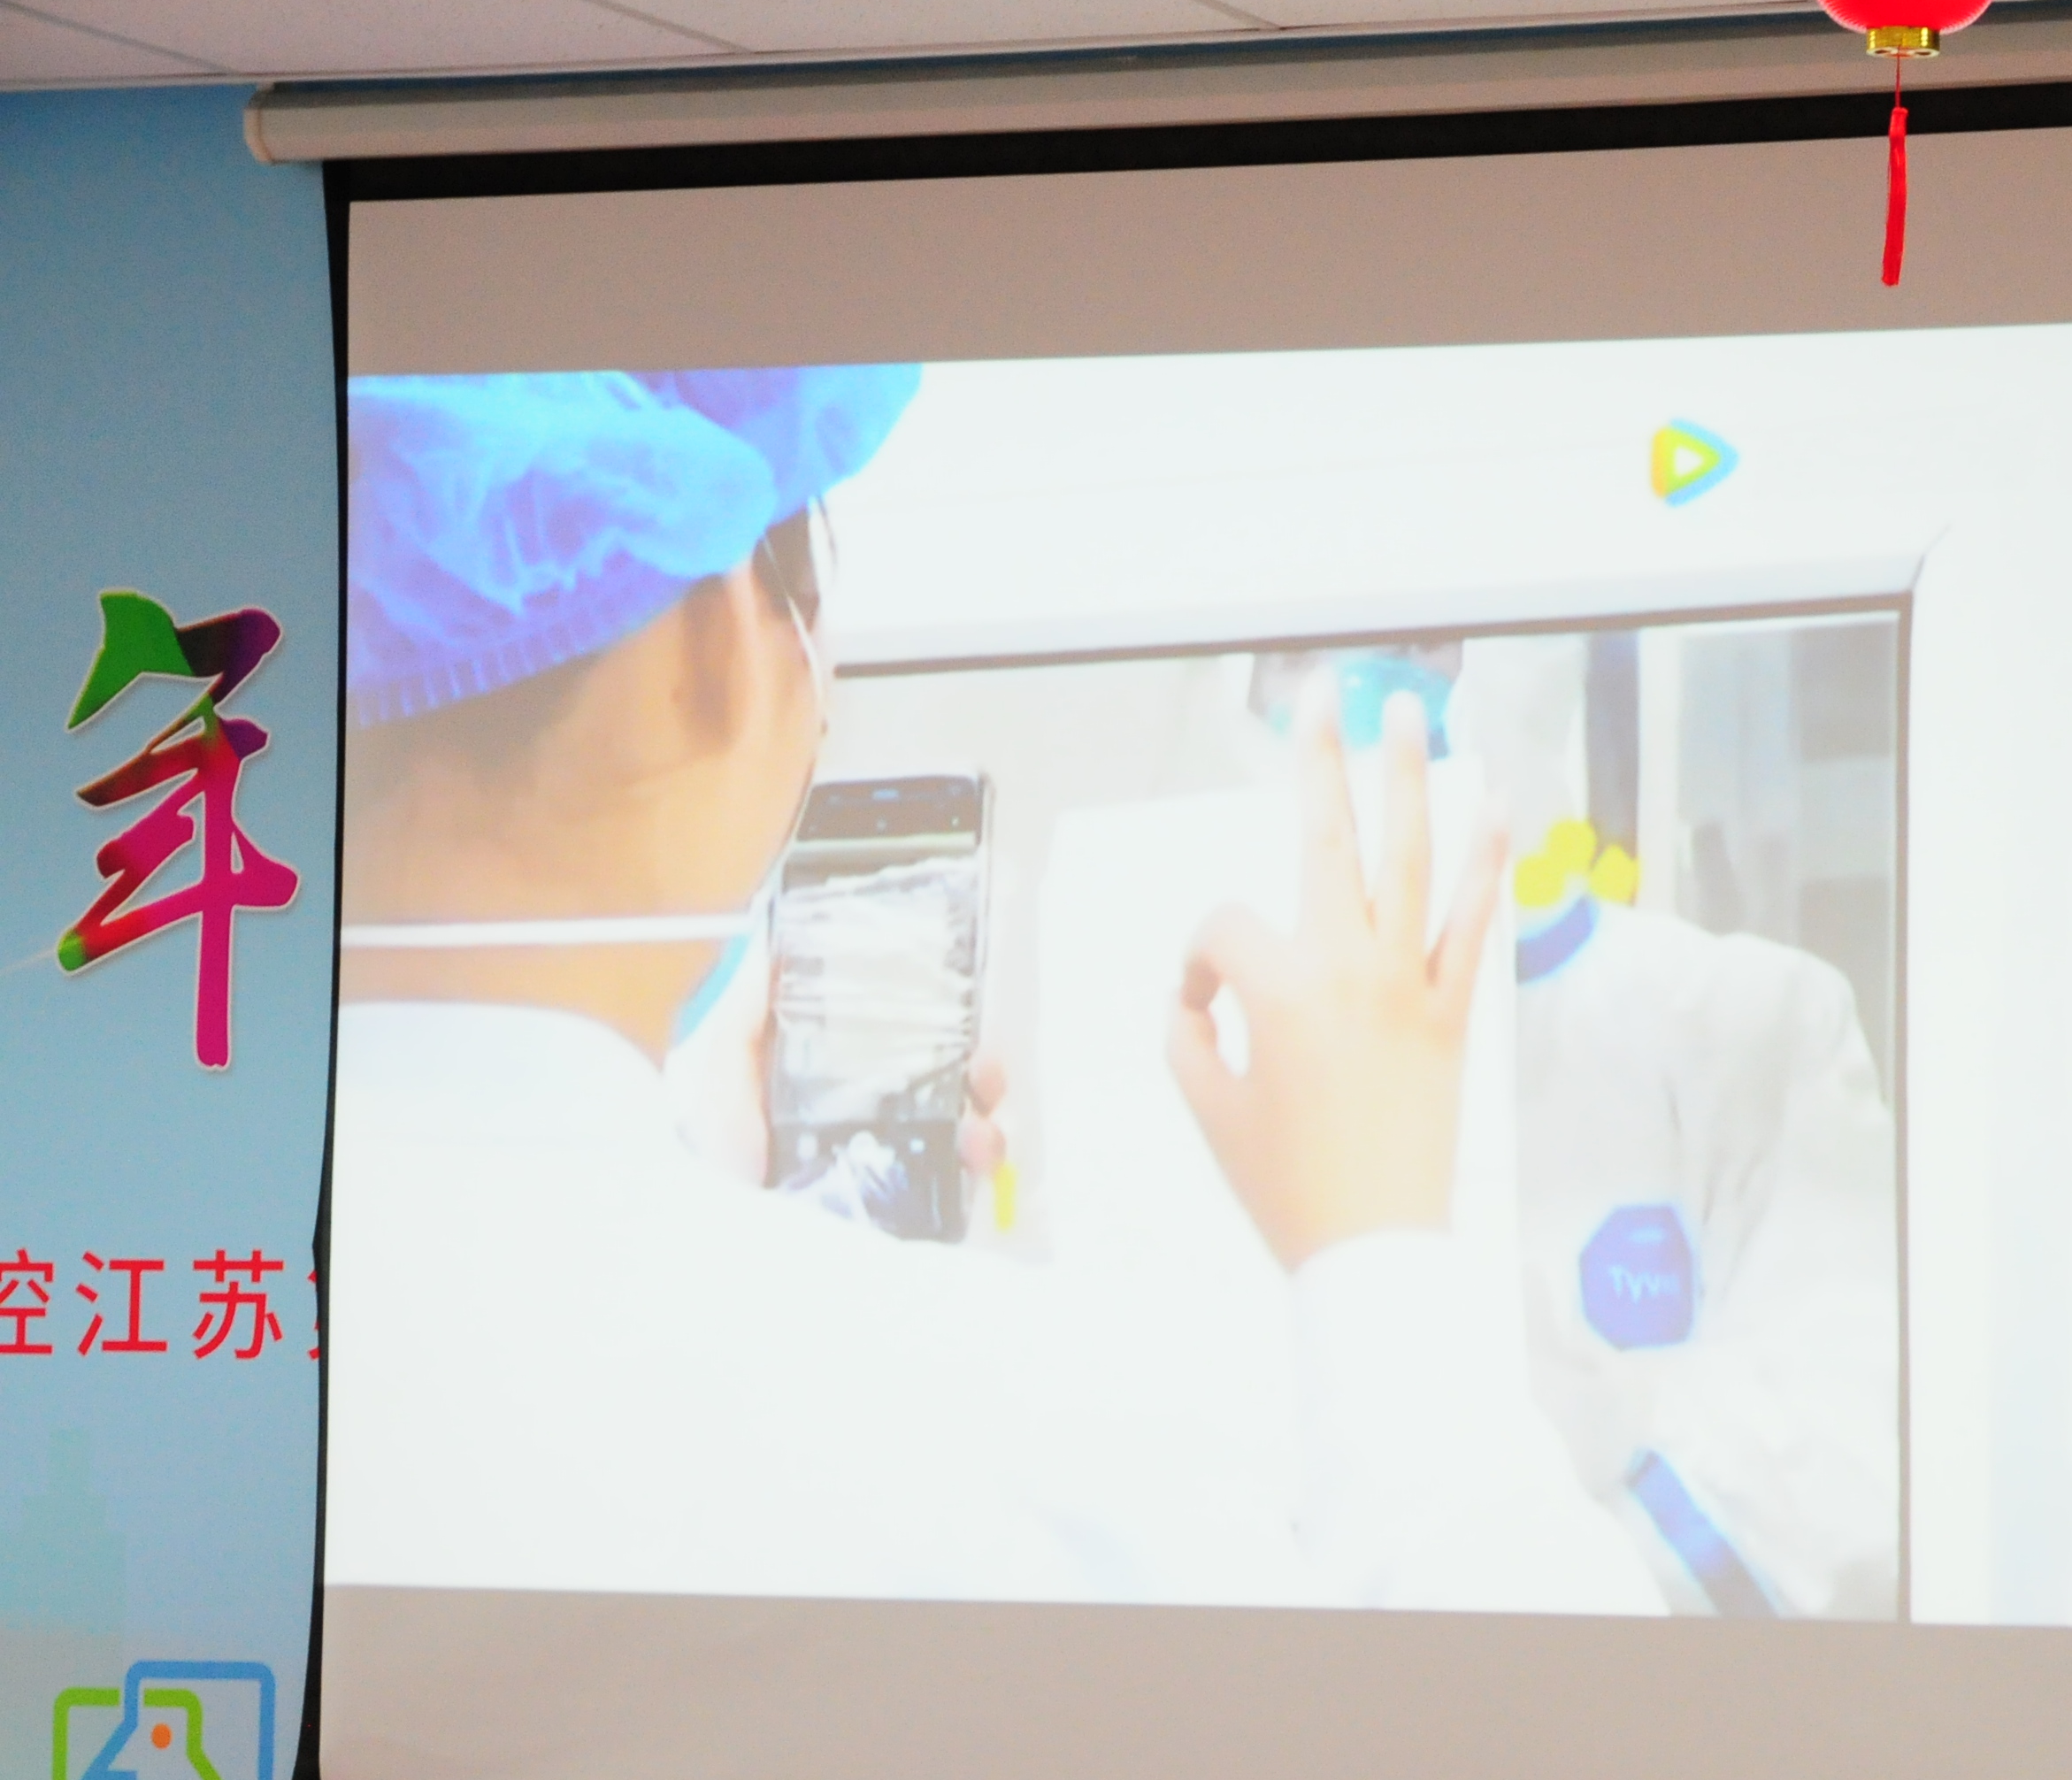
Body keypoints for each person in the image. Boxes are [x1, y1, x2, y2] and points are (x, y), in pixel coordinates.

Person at [328, 367, 1659, 1615]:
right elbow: (1562, 1743)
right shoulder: (1022, 1444)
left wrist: (719, 1208)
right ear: (712, 643)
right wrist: (1375, 1252)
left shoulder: (227, 1307)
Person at [1247, 643, 1903, 1620]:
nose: (1359, 689)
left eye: (1424, 642)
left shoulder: (1748, 1020)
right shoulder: (1215, 1057)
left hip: (1646, 1695)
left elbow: (1844, 1447)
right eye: (1297, 650)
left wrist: (1520, 1590)